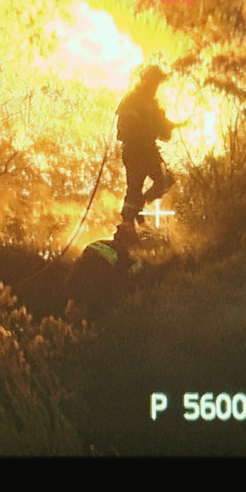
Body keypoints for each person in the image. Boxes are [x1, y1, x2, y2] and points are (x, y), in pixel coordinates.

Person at [116, 65, 176, 226]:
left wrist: (167, 126)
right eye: (153, 82)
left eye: (157, 82)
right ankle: (127, 226)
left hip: (148, 150)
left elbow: (164, 133)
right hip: (134, 150)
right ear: (146, 80)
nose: (155, 86)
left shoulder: (153, 104)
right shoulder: (132, 99)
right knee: (134, 189)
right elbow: (123, 126)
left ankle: (136, 208)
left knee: (166, 181)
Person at [64, 222, 146, 317]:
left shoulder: (96, 246)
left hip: (92, 303)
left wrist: (73, 297)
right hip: (107, 307)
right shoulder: (134, 261)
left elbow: (76, 274)